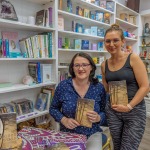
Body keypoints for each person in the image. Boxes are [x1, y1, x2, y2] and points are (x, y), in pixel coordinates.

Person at [101, 24, 149, 150]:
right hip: (113, 111)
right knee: (117, 146)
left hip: (134, 111)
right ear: (104, 43)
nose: (111, 44)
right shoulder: (104, 64)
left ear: (123, 41)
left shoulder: (133, 58)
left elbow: (145, 86)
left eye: (115, 40)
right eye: (108, 41)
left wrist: (129, 106)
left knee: (128, 147)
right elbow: (107, 89)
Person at [50, 52, 107, 145]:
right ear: (72, 68)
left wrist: (98, 117)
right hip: (68, 134)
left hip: (92, 134)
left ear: (91, 67)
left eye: (84, 65)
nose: (80, 68)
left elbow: (105, 111)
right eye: (77, 65)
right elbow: (53, 109)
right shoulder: (63, 86)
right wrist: (64, 120)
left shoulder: (99, 87)